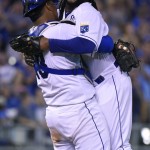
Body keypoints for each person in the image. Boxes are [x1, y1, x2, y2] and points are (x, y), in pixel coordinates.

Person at [24, 0, 133, 149]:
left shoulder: (85, 9)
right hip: (92, 87)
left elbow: (91, 44)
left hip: (109, 78)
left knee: (118, 145)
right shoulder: (60, 16)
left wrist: (48, 44)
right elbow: (103, 43)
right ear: (48, 6)